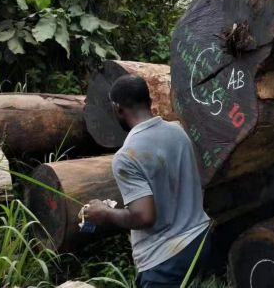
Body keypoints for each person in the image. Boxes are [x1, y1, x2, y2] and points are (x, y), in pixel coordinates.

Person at [84, 74, 211, 288]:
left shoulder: (126, 156)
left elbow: (144, 217)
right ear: (150, 101)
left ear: (118, 108)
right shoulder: (178, 132)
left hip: (165, 259)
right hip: (199, 240)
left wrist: (104, 213)